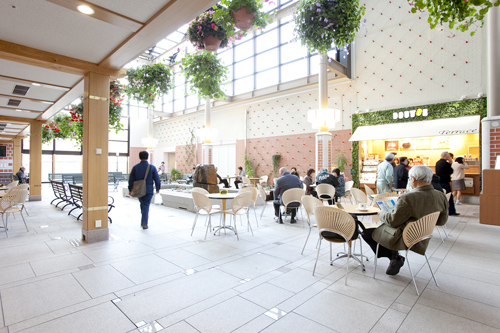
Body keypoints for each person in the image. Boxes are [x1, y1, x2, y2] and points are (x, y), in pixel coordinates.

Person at [361, 166, 449, 275]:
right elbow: (441, 221)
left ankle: (394, 256)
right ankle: (394, 257)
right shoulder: (441, 196)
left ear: (413, 179)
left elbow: (393, 221)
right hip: (423, 237)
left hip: (405, 236)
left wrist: (381, 213)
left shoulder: (408, 198)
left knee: (367, 232)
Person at [128, 151, 161, 229]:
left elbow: (131, 179)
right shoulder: (152, 167)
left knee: (142, 204)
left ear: (139, 157)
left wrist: (130, 189)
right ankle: (144, 223)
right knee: (146, 205)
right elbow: (157, 179)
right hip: (148, 190)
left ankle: (143, 219)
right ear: (147, 157)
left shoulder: (135, 167)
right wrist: (158, 189)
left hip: (139, 190)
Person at [436, 151, 459, 216]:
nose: (449, 158)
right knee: (449, 197)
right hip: (445, 182)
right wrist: (450, 163)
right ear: (444, 156)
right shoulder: (445, 163)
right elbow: (451, 171)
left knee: (441, 197)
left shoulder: (438, 162)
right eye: (448, 156)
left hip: (439, 182)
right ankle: (451, 211)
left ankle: (440, 212)